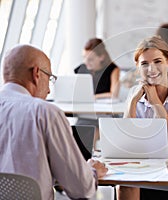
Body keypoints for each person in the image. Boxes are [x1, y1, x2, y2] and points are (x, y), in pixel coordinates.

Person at [0, 44, 108, 200]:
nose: (49, 90)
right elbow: (82, 189)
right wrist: (91, 171)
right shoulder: (45, 113)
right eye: (49, 78)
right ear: (36, 73)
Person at [117, 36, 168, 200]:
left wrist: (156, 102)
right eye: (144, 64)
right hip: (147, 168)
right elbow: (124, 145)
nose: (151, 69)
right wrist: (132, 103)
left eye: (157, 61)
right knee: (125, 185)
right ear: (137, 67)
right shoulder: (135, 92)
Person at [74, 38, 121, 146]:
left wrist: (93, 97)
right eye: (84, 58)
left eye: (90, 59)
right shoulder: (81, 69)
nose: (86, 62)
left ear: (101, 57)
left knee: (91, 130)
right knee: (78, 129)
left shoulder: (113, 69)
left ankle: (90, 159)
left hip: (104, 115)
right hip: (86, 114)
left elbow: (113, 94)